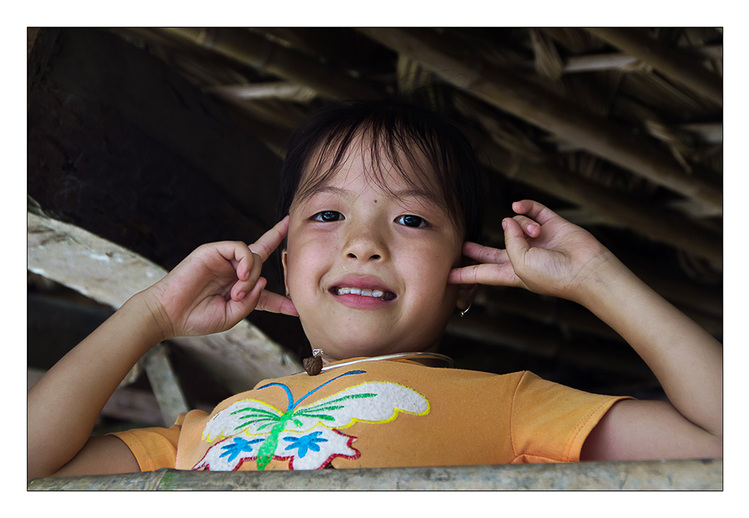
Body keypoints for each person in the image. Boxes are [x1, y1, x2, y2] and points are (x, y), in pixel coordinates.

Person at [27, 100, 722, 478]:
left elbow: (726, 439)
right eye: (328, 215)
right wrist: (149, 312)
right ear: (288, 257)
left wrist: (596, 280)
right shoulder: (207, 430)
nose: (364, 242)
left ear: (464, 281)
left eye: (412, 219)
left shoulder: (511, 406)